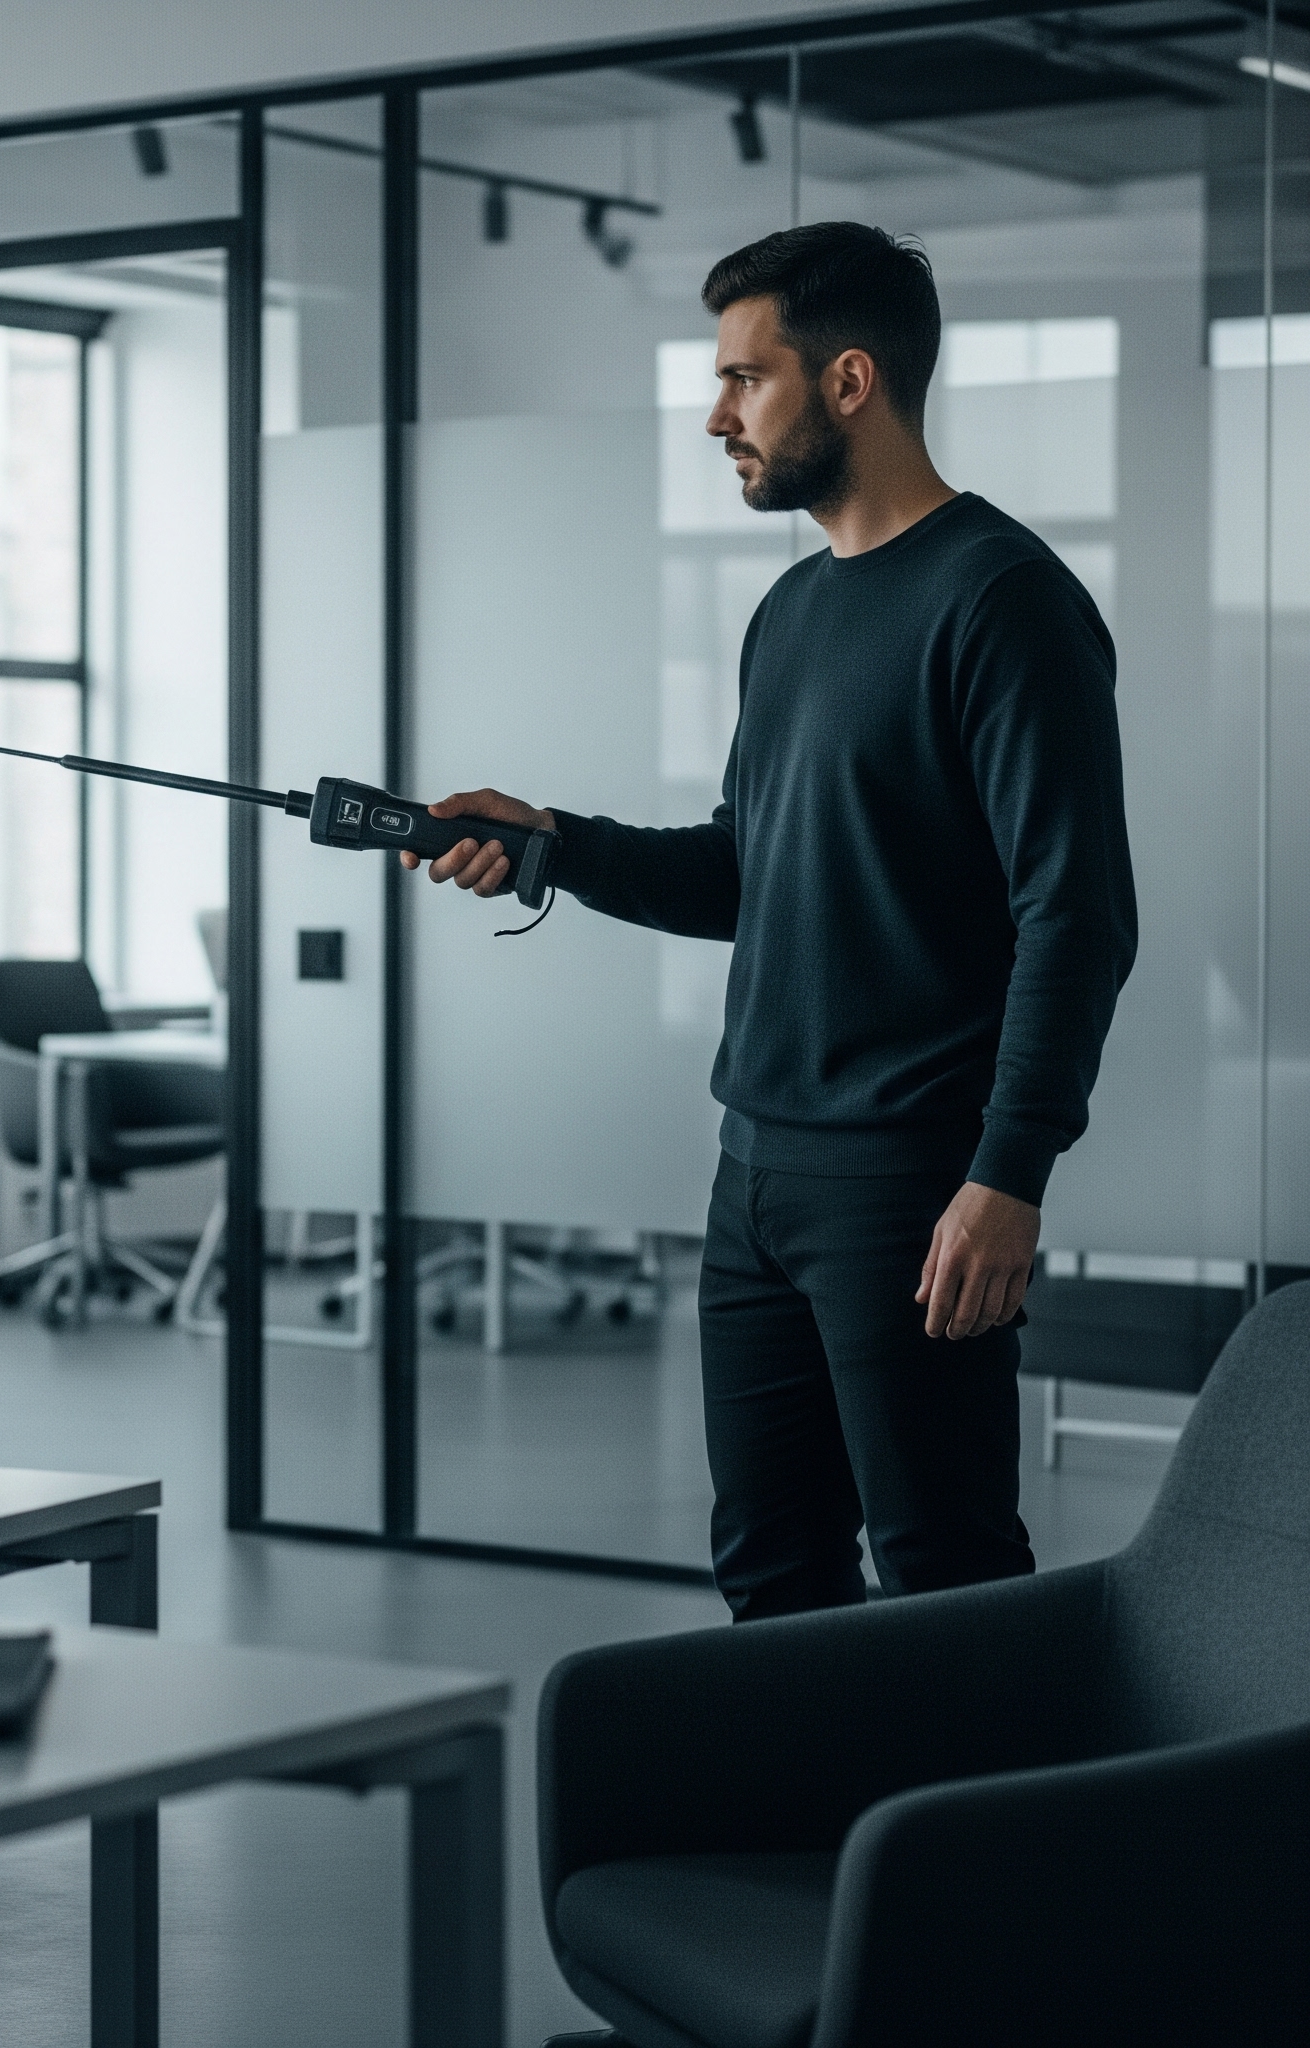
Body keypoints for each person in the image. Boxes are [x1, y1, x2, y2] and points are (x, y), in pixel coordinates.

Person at [404, 223, 1137, 1619]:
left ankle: (981, 1849)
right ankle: (809, 1849)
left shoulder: (1005, 602)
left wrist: (1010, 1173)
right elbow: (750, 870)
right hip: (755, 1173)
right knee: (771, 1573)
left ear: (851, 381)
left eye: (748, 378)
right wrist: (550, 845)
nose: (716, 413)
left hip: (913, 1183)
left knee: (946, 1575)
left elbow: (1078, 914)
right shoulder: (791, 611)